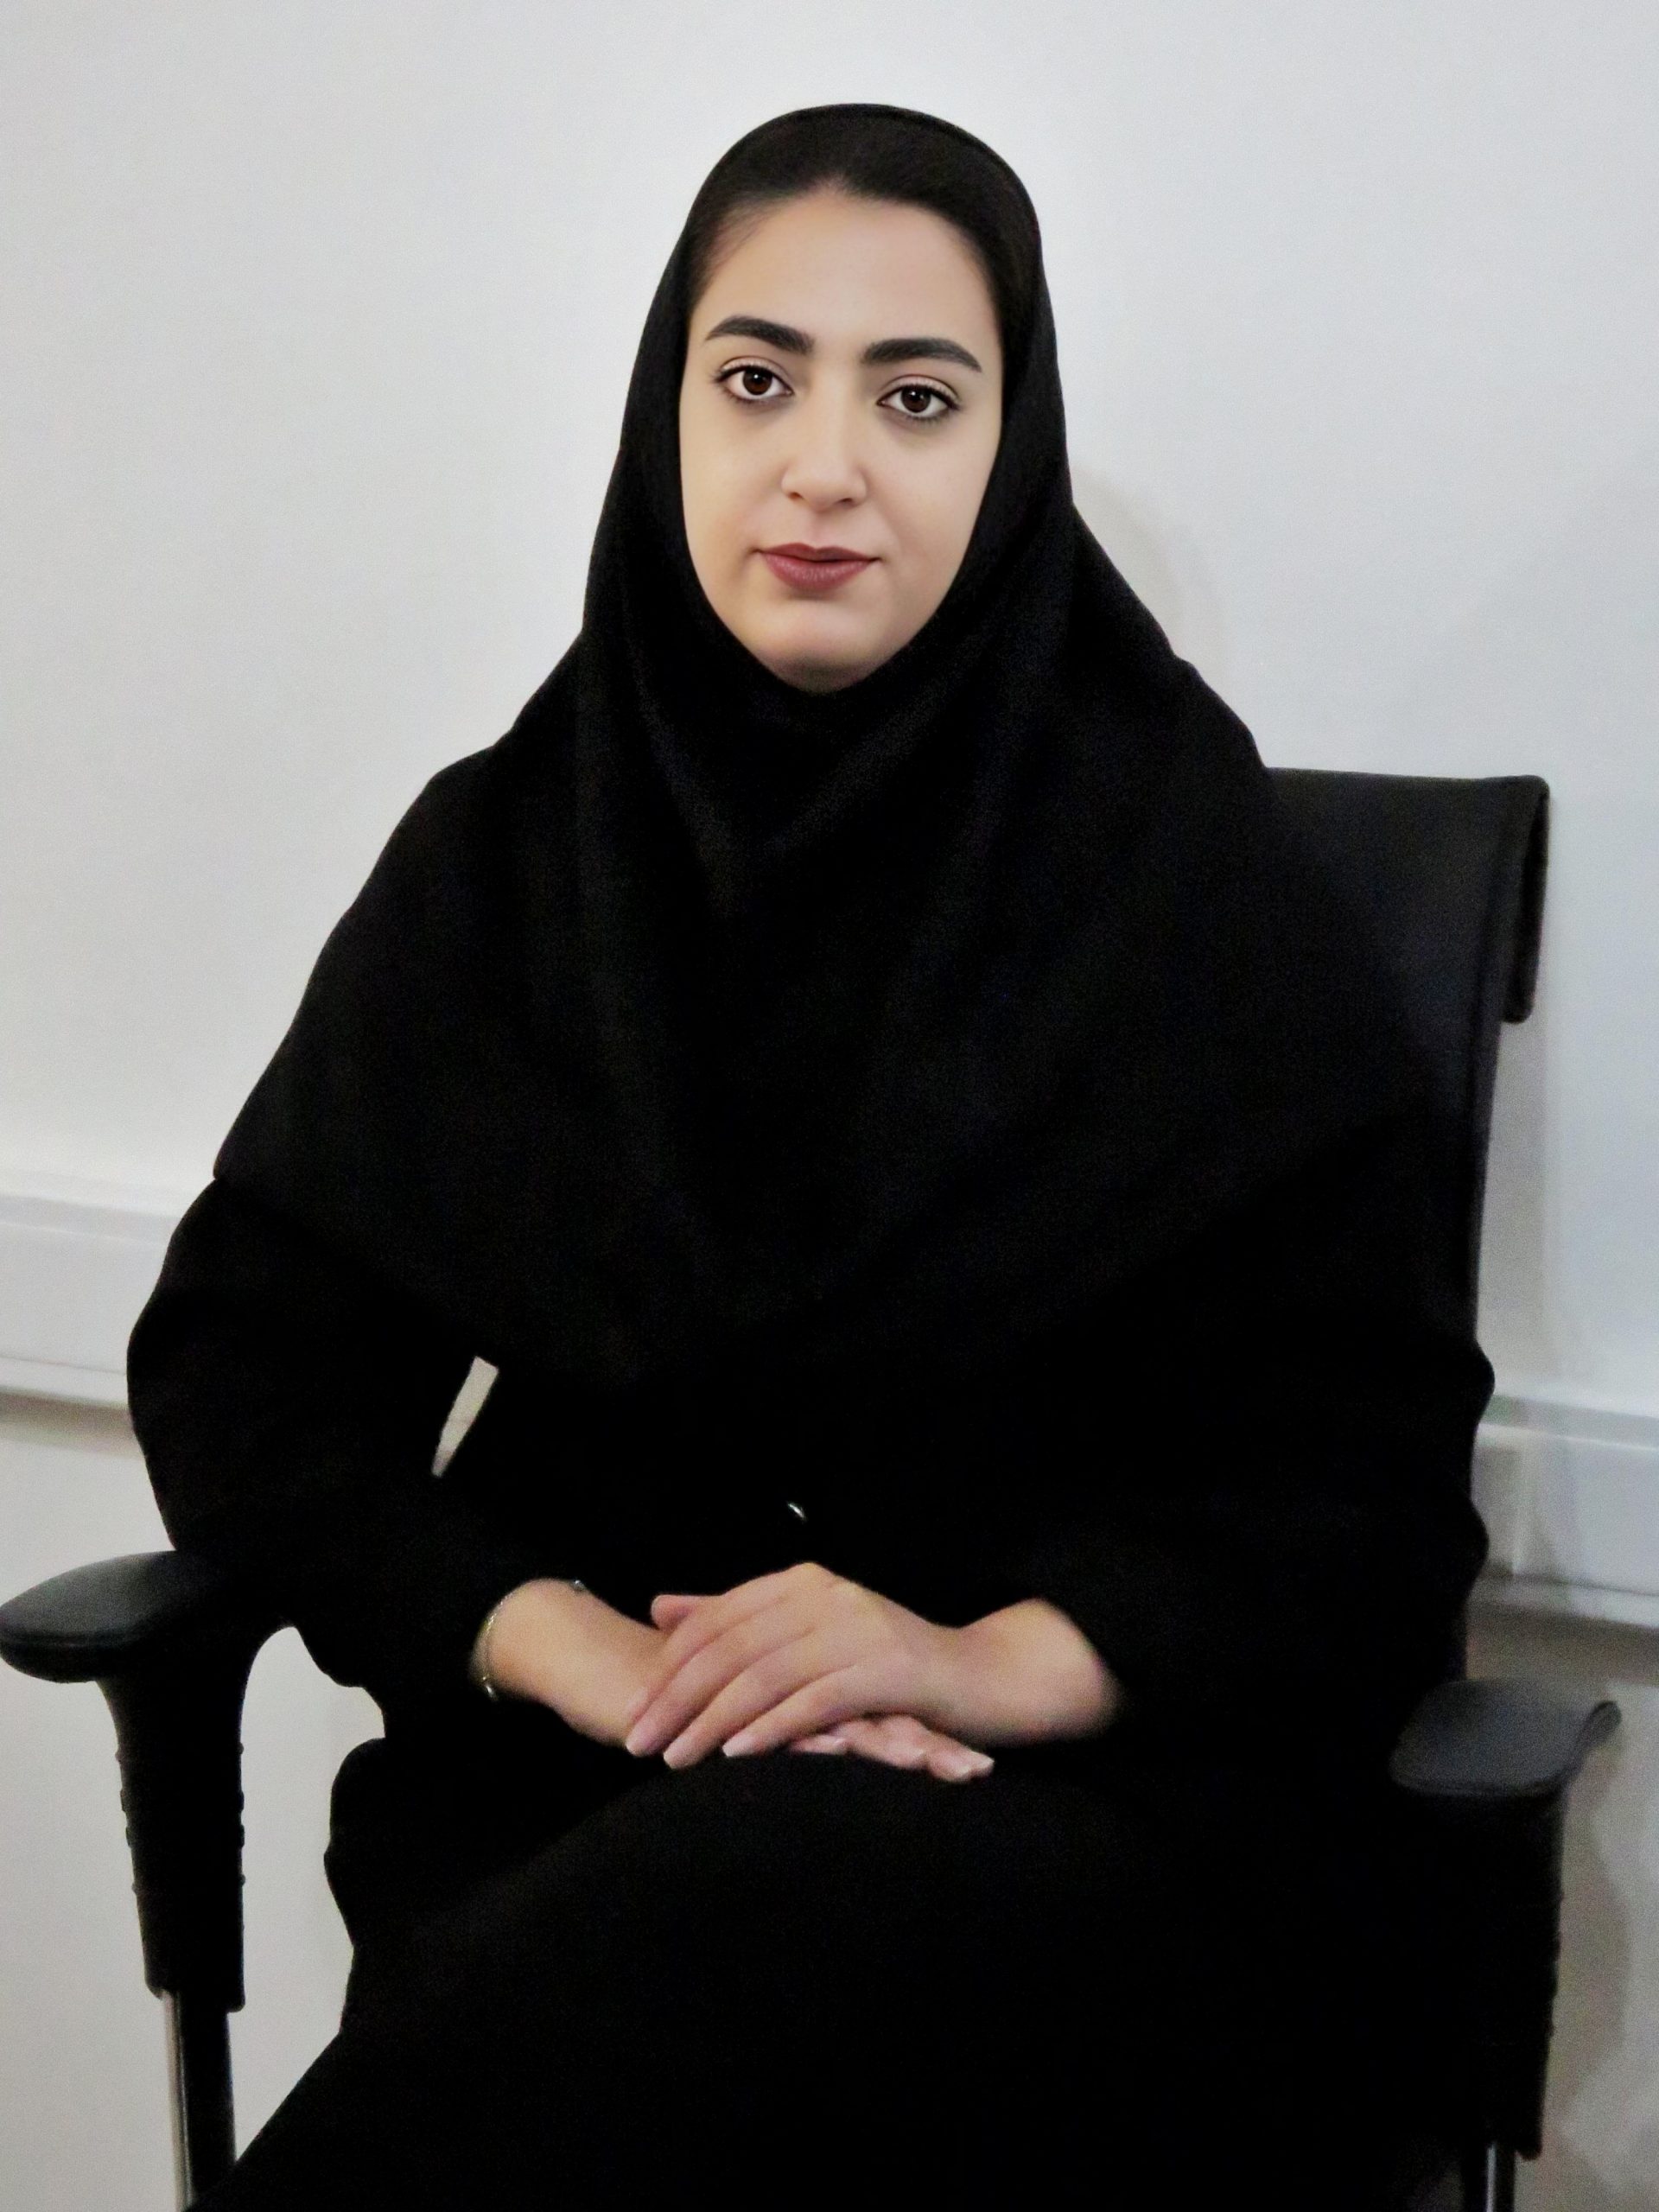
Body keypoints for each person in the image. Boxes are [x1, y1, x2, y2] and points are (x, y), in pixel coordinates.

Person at [127, 102, 1493, 2205]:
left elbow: (1361, 1486)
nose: (825, 463)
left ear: (1012, 449)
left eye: (916, 397)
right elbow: (250, 1374)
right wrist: (576, 1644)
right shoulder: (513, 861)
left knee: (756, 1902)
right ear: (663, 414)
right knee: (682, 1906)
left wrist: (970, 1661)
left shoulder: (1189, 881)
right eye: (755, 379)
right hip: (591, 1805)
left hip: (1088, 1841)